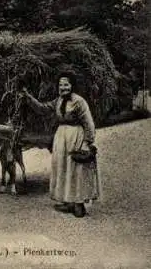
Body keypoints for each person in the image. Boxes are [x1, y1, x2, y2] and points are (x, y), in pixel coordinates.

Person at [19, 71, 101, 218]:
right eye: (61, 85)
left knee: (77, 170)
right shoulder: (58, 101)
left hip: (76, 136)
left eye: (66, 85)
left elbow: (89, 123)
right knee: (64, 168)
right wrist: (28, 97)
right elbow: (42, 109)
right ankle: (68, 201)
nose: (63, 88)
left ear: (72, 86)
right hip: (61, 138)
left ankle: (79, 204)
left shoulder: (79, 102)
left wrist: (87, 143)